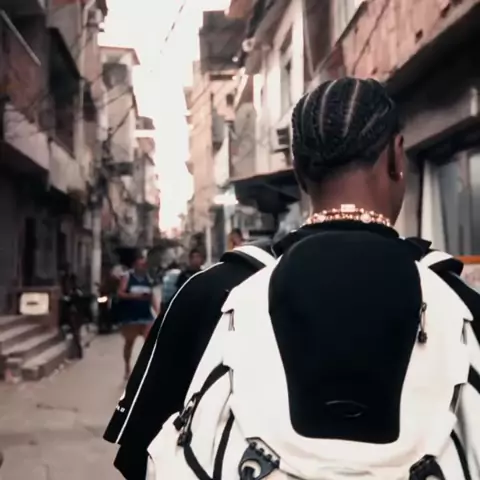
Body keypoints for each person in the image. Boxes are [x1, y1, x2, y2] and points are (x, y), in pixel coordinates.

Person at [144, 78, 480, 479]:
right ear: (396, 157)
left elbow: (150, 456)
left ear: (298, 170)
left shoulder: (207, 295)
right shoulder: (459, 301)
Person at [104, 242, 274, 479]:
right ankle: (126, 366)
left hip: (145, 316)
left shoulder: (211, 282)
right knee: (131, 345)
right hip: (133, 315)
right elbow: (159, 367)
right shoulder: (194, 281)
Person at [117, 253, 158, 380]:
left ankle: (147, 369)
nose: (143, 267)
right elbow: (120, 293)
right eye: (140, 264)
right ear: (135, 264)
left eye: (144, 264)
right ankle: (127, 367)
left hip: (146, 316)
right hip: (130, 317)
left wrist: (158, 312)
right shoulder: (127, 277)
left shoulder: (148, 278)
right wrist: (136, 296)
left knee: (150, 342)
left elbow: (152, 296)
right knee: (129, 343)